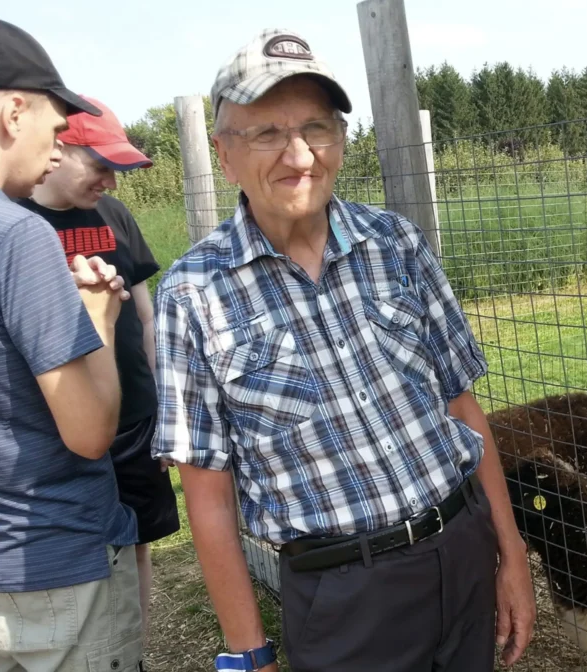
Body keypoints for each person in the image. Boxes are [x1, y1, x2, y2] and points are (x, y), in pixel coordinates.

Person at [151, 28, 536, 672]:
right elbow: (209, 497)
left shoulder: (397, 245)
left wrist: (510, 550)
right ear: (225, 155)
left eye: (316, 128)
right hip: (346, 597)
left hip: (463, 548)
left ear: (341, 139)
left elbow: (461, 406)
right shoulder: (193, 295)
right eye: (268, 133)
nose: (299, 155)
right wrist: (248, 652)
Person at [0, 13, 145, 672]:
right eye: (56, 122)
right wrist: (95, 314)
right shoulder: (15, 235)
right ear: (14, 111)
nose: (58, 139)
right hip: (53, 566)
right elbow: (90, 431)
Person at [18, 94, 182, 647]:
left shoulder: (115, 218)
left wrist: (162, 404)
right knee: (78, 541)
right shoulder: (15, 221)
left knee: (137, 534)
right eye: (102, 166)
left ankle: (132, 646)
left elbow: (144, 310)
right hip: (58, 419)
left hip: (133, 414)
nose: (112, 182)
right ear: (59, 147)